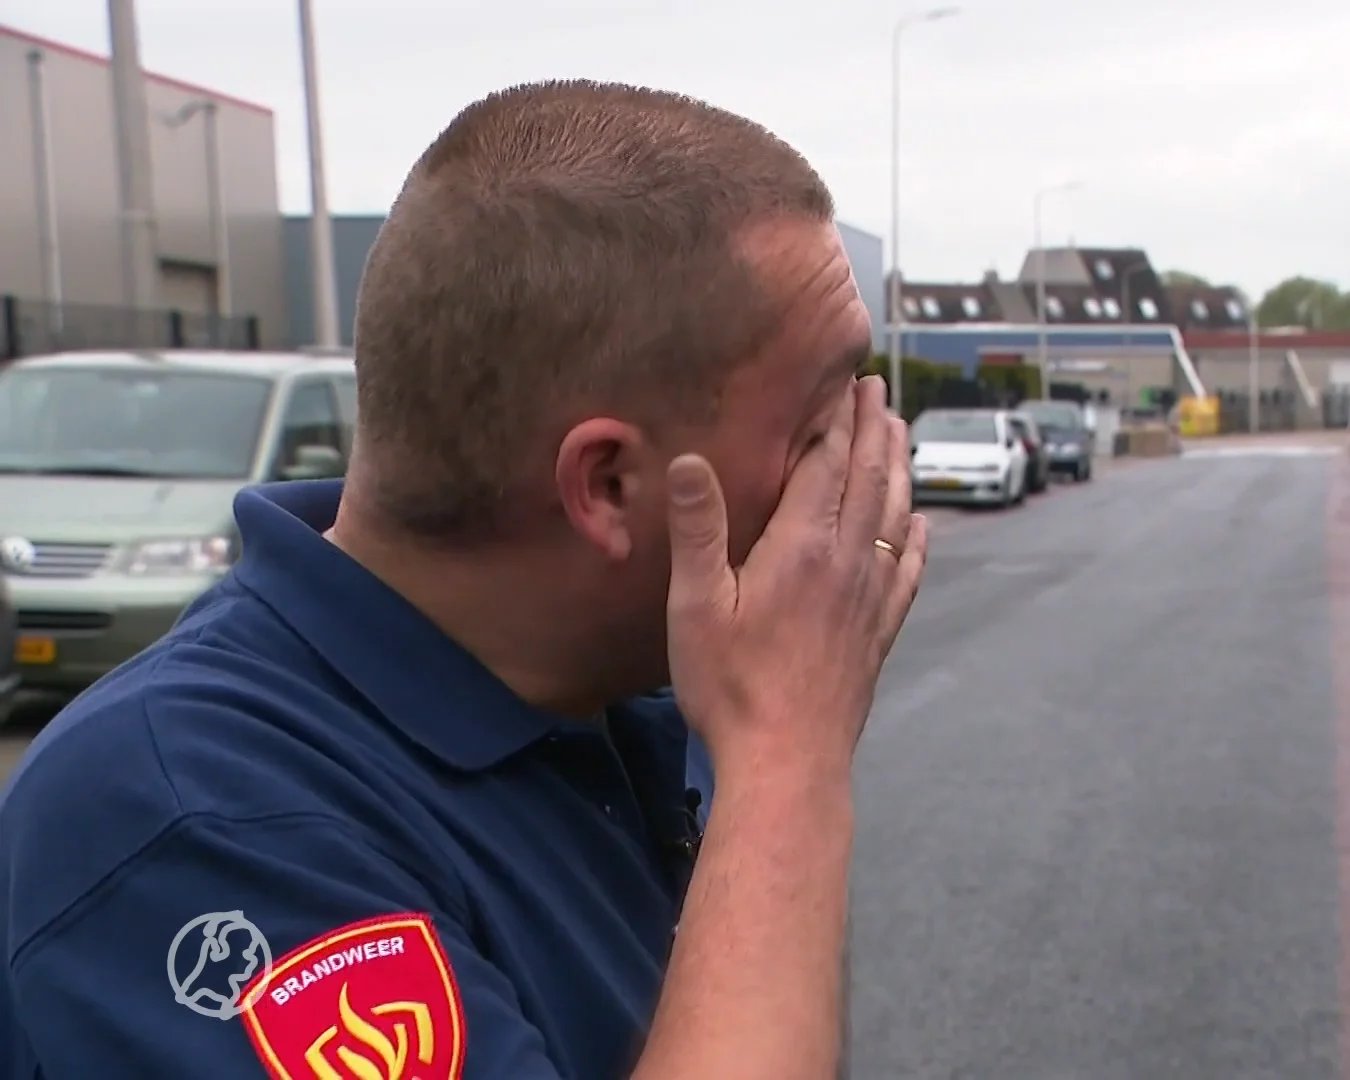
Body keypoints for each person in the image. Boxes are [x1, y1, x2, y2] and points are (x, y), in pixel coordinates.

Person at [0, 80, 926, 1080]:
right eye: (822, 425)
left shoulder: (632, 698)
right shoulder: (192, 823)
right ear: (609, 485)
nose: (874, 457)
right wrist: (790, 760)